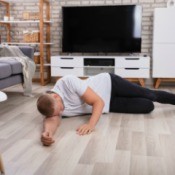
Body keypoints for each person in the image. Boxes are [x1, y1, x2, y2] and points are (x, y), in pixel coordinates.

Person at [37, 73, 175, 146]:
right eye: (58, 113)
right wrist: (47, 133)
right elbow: (51, 119)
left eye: (60, 109)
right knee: (148, 106)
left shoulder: (67, 82)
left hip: (110, 84)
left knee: (150, 95)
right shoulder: (52, 108)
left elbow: (98, 101)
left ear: (55, 96)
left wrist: (90, 124)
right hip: (110, 104)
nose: (61, 113)